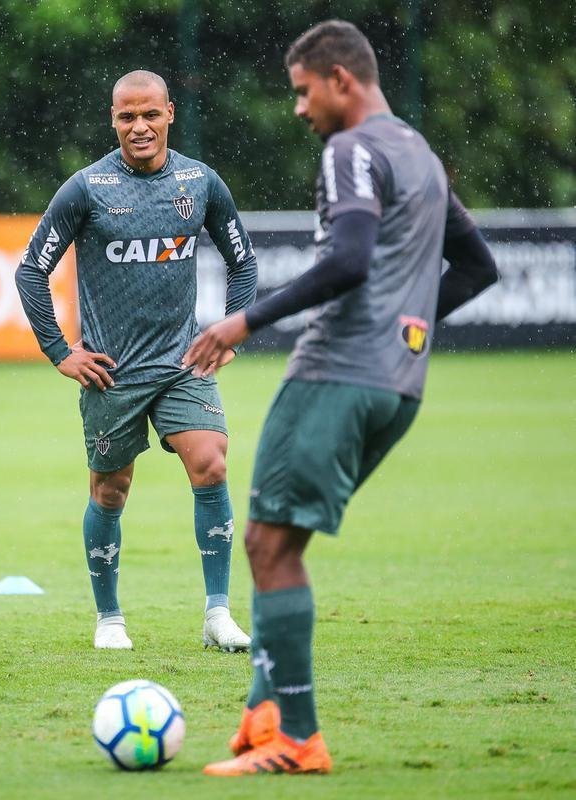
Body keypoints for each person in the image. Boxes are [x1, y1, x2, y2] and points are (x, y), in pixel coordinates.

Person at [183, 20, 498, 775]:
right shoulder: (416, 152)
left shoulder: (350, 149)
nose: (298, 108)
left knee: (265, 545)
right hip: (396, 386)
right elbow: (476, 267)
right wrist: (407, 330)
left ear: (341, 80)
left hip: (336, 372)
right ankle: (264, 715)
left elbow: (350, 259)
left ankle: (296, 739)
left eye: (302, 91)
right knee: (275, 544)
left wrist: (243, 320)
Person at [15, 71, 257, 652]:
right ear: (113, 120)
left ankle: (218, 614)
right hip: (111, 373)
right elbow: (30, 271)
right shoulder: (86, 188)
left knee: (212, 465)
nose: (139, 127)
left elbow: (243, 263)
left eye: (150, 114)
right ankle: (109, 619)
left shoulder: (201, 183)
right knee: (110, 492)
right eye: (127, 116)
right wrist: (61, 352)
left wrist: (229, 333)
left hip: (181, 364)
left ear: (170, 113)